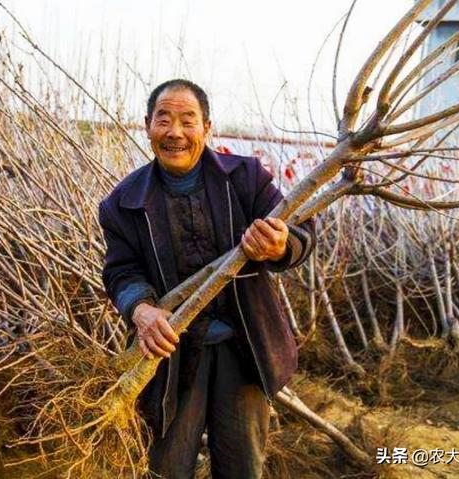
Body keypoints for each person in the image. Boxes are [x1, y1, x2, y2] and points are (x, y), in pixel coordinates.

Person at [99, 79, 315, 479]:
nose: (175, 133)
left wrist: (279, 245)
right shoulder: (122, 203)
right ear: (147, 126)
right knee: (166, 466)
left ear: (207, 128)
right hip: (172, 353)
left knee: (242, 466)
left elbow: (301, 232)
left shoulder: (245, 178)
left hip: (245, 346)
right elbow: (120, 271)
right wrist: (142, 311)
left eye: (188, 120)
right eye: (164, 119)